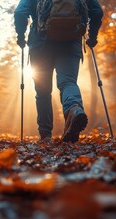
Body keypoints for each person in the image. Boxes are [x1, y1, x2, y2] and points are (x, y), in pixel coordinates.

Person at [14, 0, 103, 143]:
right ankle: (74, 109)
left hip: (40, 44)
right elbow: (97, 12)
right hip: (71, 43)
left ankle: (45, 135)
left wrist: (20, 36)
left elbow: (20, 13)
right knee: (68, 82)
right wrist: (92, 36)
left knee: (42, 92)